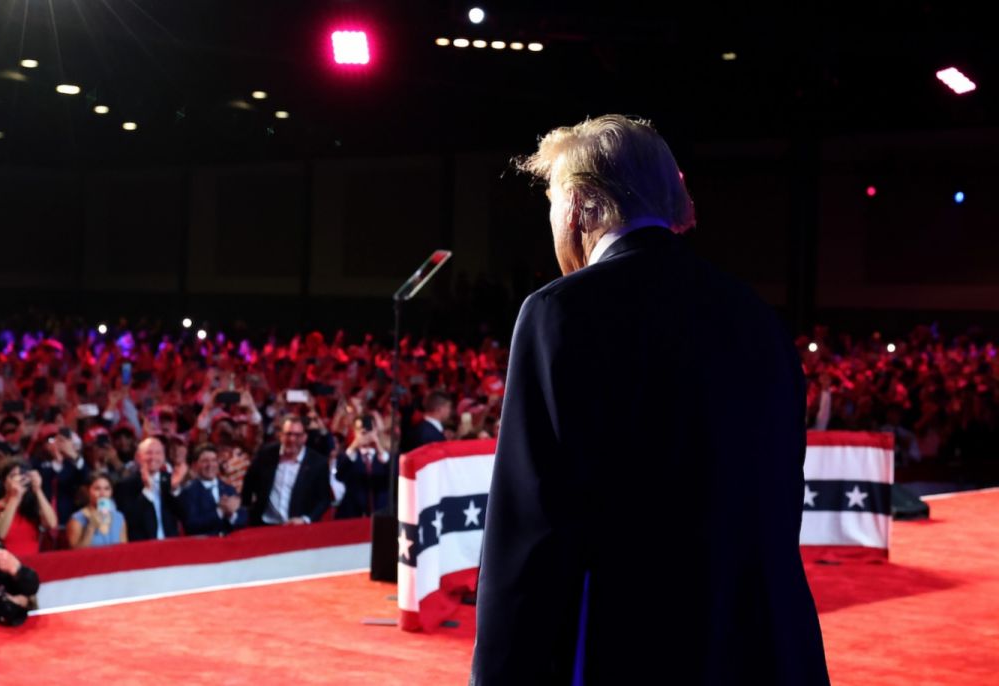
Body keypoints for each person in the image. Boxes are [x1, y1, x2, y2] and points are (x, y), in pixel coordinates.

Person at [471, 115, 828, 684]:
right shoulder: (755, 315)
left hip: (630, 640)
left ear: (580, 205)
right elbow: (782, 494)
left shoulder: (560, 313)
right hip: (760, 640)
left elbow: (529, 527)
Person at [241, 416, 331, 526]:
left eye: (297, 435)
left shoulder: (317, 463)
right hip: (265, 524)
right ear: (280, 435)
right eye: (288, 434)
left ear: (304, 437)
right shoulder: (266, 455)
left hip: (298, 527)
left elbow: (324, 499)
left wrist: (306, 519)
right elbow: (248, 484)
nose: (292, 439)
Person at [0, 460, 58, 556]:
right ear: (4, 482)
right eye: (13, 475)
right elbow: (0, 534)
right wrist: (15, 498)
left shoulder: (31, 506)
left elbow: (52, 523)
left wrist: (38, 490)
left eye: (22, 475)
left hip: (32, 564)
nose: (18, 479)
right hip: (4, 564)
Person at [114, 437, 184, 540]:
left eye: (158, 453)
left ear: (164, 457)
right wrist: (147, 491)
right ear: (138, 457)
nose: (153, 457)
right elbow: (129, 520)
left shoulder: (170, 480)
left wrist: (175, 489)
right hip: (143, 547)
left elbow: (184, 515)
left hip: (170, 544)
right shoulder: (125, 485)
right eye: (148, 453)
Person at [177, 445, 246, 536]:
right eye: (205, 461)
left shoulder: (229, 489)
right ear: (194, 465)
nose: (210, 465)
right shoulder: (188, 492)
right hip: (204, 547)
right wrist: (220, 512)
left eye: (214, 460)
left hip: (231, 546)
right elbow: (191, 525)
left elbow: (243, 521)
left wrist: (231, 514)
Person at [334, 416, 390, 519]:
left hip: (381, 514)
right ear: (354, 432)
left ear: (376, 430)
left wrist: (379, 447)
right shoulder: (348, 456)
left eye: (370, 430)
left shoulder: (386, 456)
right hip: (353, 515)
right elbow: (339, 476)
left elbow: (394, 476)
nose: (366, 434)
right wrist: (354, 446)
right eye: (361, 431)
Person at [66, 475, 126, 549]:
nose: (102, 493)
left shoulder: (119, 518)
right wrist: (91, 528)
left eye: (107, 489)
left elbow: (124, 550)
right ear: (88, 491)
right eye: (97, 489)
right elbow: (74, 554)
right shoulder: (76, 519)